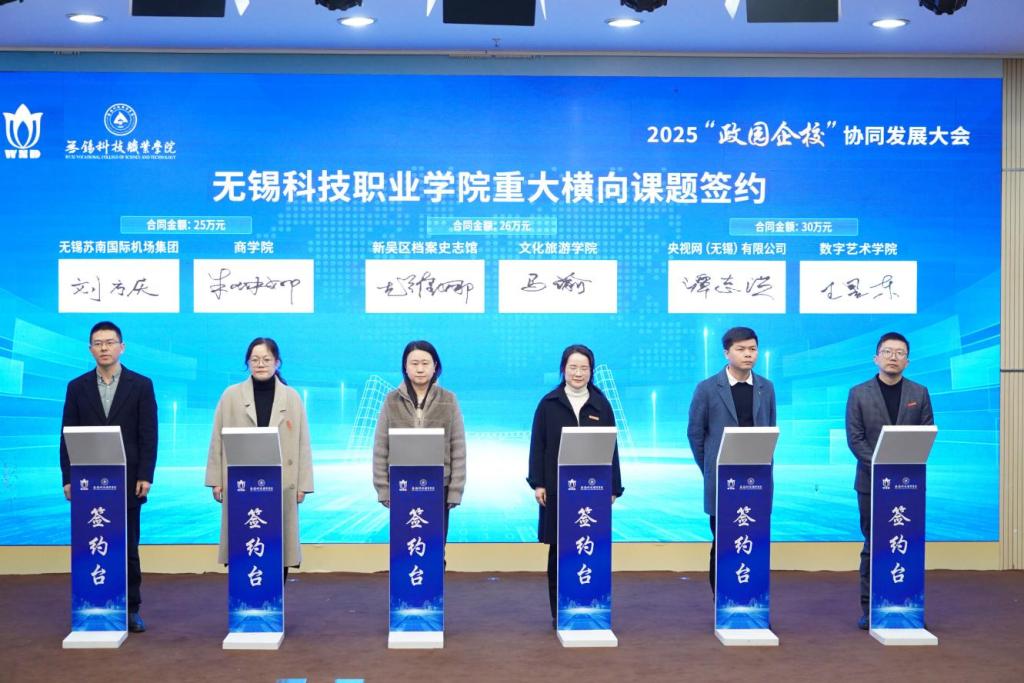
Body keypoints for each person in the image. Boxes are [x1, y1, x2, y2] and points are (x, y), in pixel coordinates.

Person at [60, 321, 158, 634]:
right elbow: (67, 434)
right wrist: (67, 477)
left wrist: (145, 475)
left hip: (128, 480)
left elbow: (148, 434)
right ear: (90, 349)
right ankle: (94, 603)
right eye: (98, 343)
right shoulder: (77, 387)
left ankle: (131, 609)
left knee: (127, 547)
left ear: (121, 347)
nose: (104, 348)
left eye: (110, 342)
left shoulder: (141, 385)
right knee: (92, 544)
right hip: (88, 482)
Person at [527, 344, 624, 627]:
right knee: (560, 549)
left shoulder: (601, 404)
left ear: (591, 371)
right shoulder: (549, 403)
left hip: (593, 490)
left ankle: (591, 603)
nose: (578, 373)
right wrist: (538, 483)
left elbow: (612, 447)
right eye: (573, 367)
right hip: (558, 490)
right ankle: (560, 610)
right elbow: (538, 446)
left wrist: (613, 487)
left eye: (584, 368)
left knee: (591, 546)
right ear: (563, 369)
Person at [846, 331, 933, 630]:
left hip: (908, 485)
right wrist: (882, 466)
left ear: (907, 361)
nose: (893, 357)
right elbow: (855, 439)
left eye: (900, 353)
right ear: (876, 358)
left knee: (906, 543)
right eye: (887, 352)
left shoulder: (919, 393)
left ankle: (905, 603)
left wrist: (901, 468)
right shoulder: (858, 393)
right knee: (874, 544)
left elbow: (926, 433)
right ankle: (870, 608)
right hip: (871, 483)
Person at [205, 338, 313, 576]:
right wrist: (215, 480)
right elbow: (216, 440)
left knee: (279, 546)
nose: (260, 364)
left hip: (281, 483)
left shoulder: (292, 397)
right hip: (241, 483)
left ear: (277, 362)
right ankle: (244, 593)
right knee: (242, 541)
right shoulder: (231, 395)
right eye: (254, 360)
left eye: (266, 359)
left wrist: (303, 484)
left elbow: (303, 443)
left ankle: (275, 597)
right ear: (247, 363)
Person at [687, 326, 776, 594]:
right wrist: (711, 469)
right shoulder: (707, 389)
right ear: (727, 353)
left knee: (754, 541)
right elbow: (695, 433)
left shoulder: (766, 388)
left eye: (753, 349)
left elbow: (770, 430)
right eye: (741, 349)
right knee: (724, 542)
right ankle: (722, 602)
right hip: (723, 481)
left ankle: (750, 599)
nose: (748, 354)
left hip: (757, 481)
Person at [373, 340, 466, 538]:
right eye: (414, 363)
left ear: (435, 366)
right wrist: (383, 488)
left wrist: (455, 490)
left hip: (439, 486)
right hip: (401, 486)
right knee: (405, 545)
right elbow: (381, 447)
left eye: (425, 363)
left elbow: (458, 447)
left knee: (435, 546)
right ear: (405, 367)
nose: (420, 369)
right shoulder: (391, 400)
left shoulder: (449, 399)